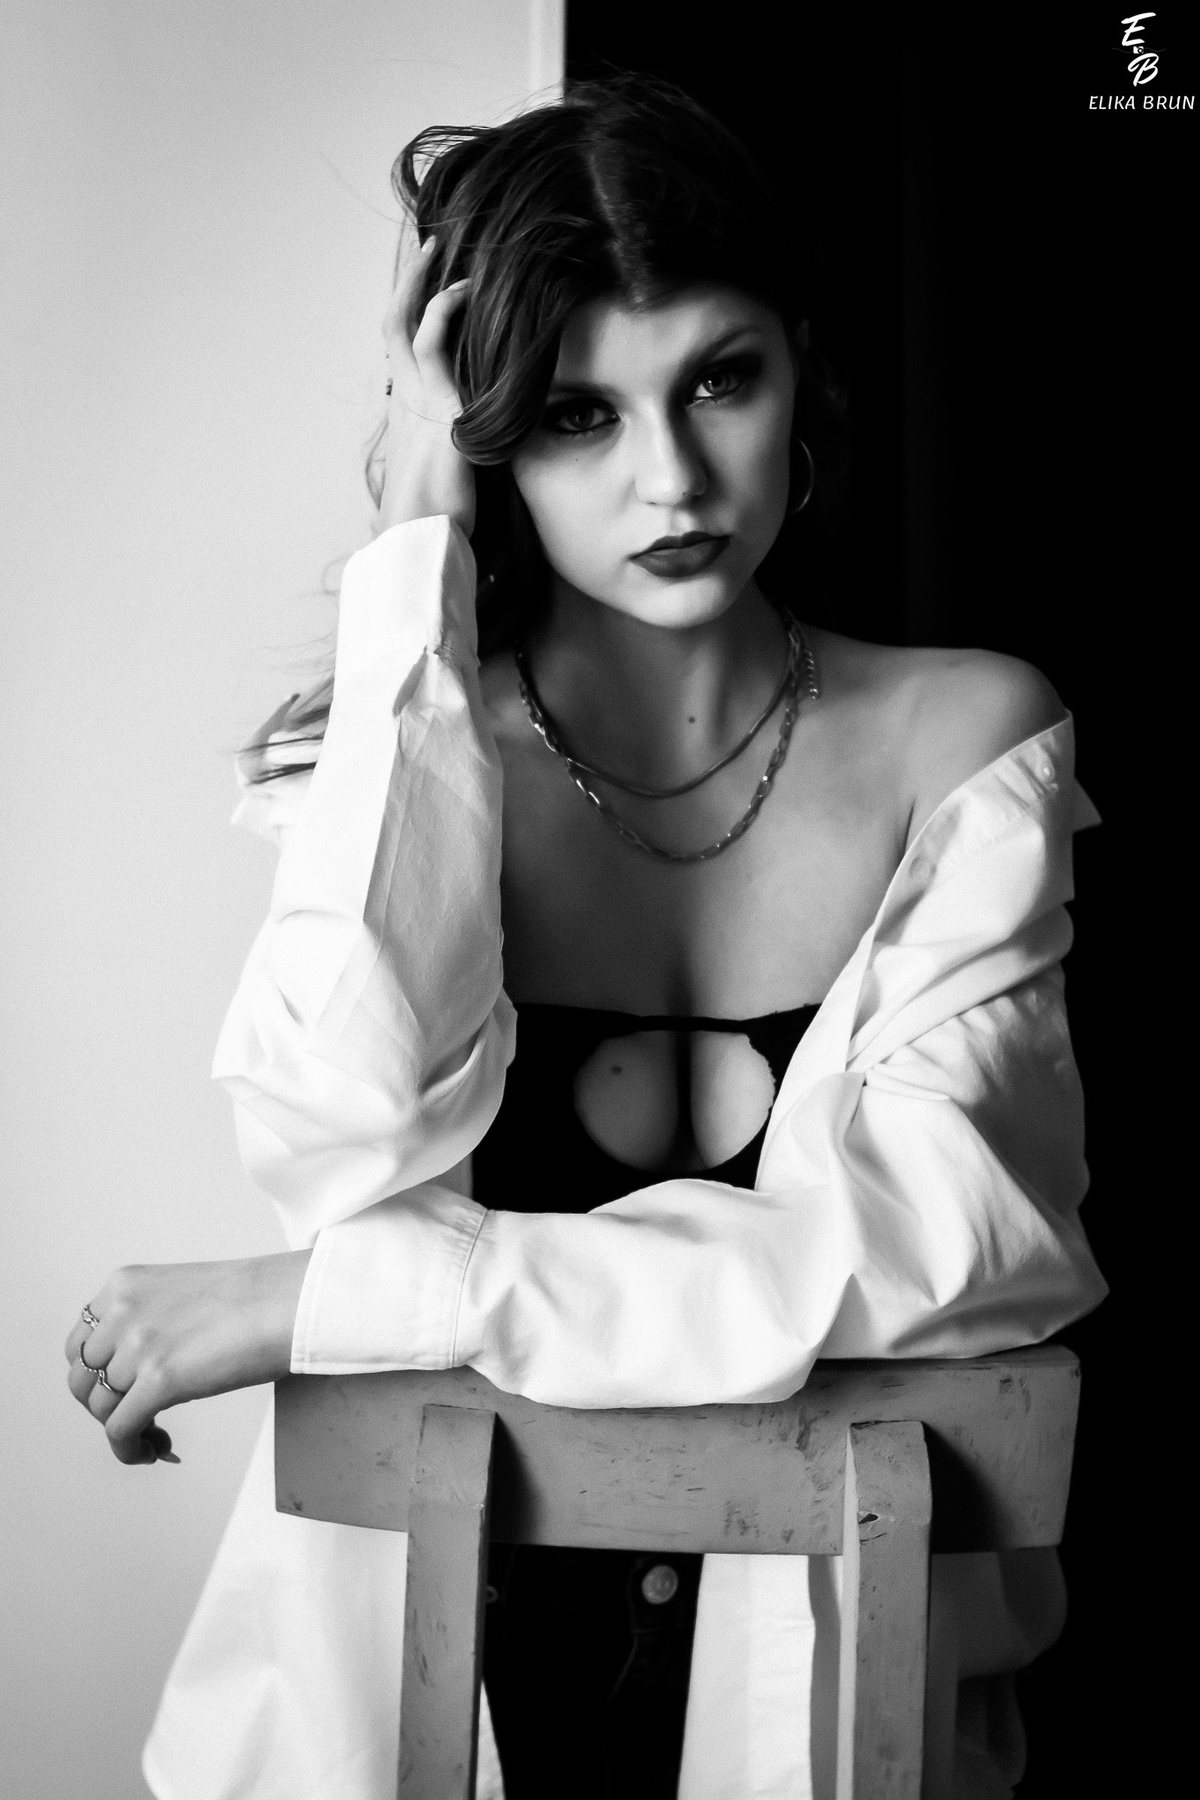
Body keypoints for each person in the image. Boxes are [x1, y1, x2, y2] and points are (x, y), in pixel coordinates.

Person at [64, 76, 1106, 1800]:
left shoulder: (965, 746)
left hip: (837, 1707)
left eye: (718, 379)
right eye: (574, 415)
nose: (671, 477)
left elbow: (935, 1266)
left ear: (802, 374)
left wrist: (338, 1303)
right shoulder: (387, 761)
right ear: (492, 445)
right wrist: (414, 544)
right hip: (401, 1700)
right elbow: (337, 1129)